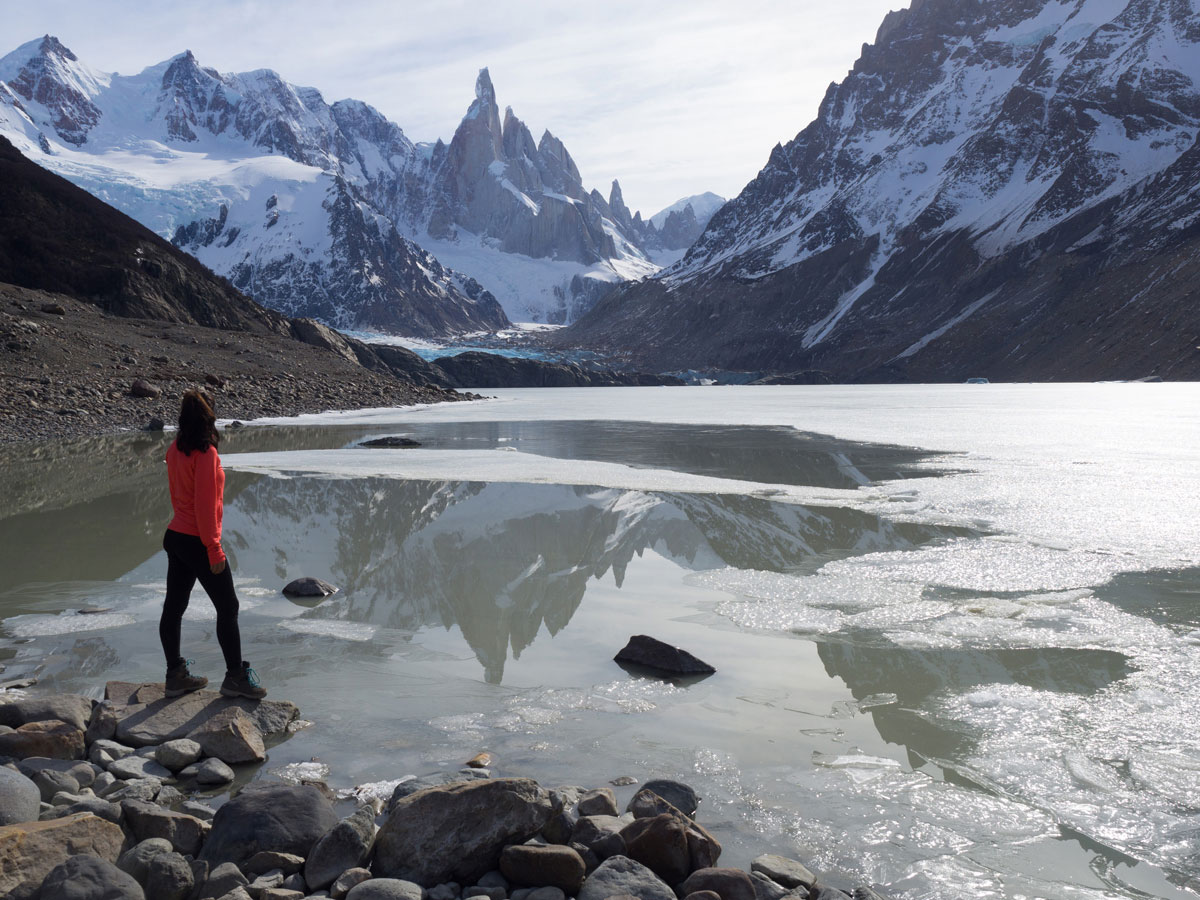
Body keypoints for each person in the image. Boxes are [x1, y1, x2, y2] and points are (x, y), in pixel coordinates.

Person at [160, 388, 266, 700]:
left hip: (176, 536)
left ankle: (174, 675)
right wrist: (214, 547)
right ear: (209, 419)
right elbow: (206, 505)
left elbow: (179, 495)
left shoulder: (174, 450)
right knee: (228, 606)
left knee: (174, 608)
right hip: (197, 540)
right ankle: (235, 678)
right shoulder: (206, 455)